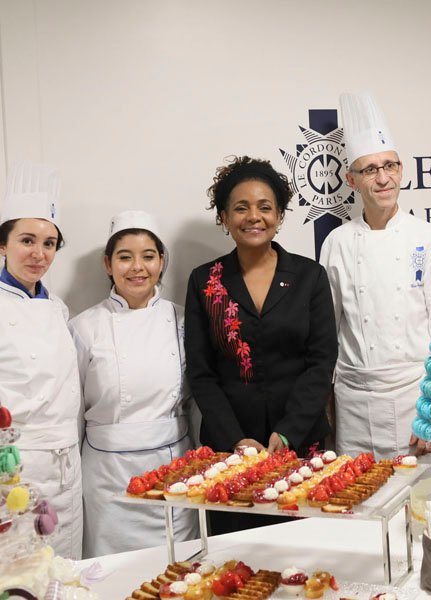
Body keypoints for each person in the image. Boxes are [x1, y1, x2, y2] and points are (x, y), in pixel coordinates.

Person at [185, 156, 337, 534]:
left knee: (306, 550)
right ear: (223, 217)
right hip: (229, 451)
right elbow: (202, 373)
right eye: (241, 207)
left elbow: (322, 361)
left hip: (300, 442)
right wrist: (236, 439)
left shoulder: (308, 276)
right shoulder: (205, 281)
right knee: (233, 560)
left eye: (265, 207)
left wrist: (287, 433)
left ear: (280, 215)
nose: (254, 216)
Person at [319, 92, 431, 470]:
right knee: (362, 507)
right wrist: (330, 403)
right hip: (355, 402)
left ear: (401, 170)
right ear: (352, 179)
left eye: (389, 166)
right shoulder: (338, 243)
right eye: (370, 169)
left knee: (428, 506)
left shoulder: (429, 238)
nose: (382, 178)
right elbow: (329, 331)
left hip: (417, 399)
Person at [69, 211, 199, 557]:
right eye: (125, 257)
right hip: (107, 477)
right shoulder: (84, 327)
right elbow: (74, 410)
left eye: (148, 256)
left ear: (161, 262)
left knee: (179, 571)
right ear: (108, 264)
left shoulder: (183, 319)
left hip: (173, 470)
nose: (137, 267)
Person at [0, 163, 82, 559]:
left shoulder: (57, 309)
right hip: (18, 470)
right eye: (27, 241)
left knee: (67, 569)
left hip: (70, 467)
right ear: (3, 244)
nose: (39, 254)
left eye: (49, 244)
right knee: (23, 573)